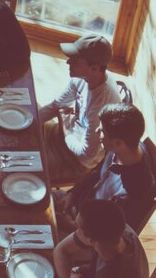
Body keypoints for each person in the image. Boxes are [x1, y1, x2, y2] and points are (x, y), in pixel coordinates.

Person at [55, 103, 155, 236]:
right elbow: (96, 173)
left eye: (102, 130)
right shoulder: (125, 148)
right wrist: (72, 194)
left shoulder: (132, 192)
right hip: (80, 203)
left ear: (118, 142)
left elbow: (107, 234)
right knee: (40, 199)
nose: (97, 131)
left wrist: (71, 225)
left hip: (88, 233)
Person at [39, 34, 121, 181]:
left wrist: (65, 128)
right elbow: (55, 106)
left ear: (95, 68)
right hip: (67, 133)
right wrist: (30, 121)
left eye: (75, 60)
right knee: (24, 134)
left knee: (31, 169)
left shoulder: (102, 103)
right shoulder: (81, 78)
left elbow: (86, 155)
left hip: (77, 161)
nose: (67, 61)